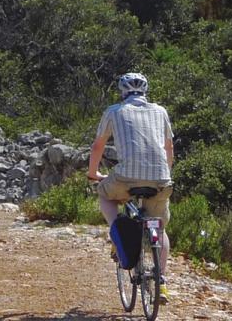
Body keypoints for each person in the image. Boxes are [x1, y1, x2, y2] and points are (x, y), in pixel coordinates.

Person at [87, 72, 175, 303]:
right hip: (161, 180)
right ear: (145, 91)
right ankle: (161, 281)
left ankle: (119, 234)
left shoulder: (114, 111)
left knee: (105, 195)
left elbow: (97, 146)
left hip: (126, 178)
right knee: (160, 227)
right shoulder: (161, 111)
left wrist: (93, 174)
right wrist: (163, 174)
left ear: (122, 92)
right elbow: (169, 148)